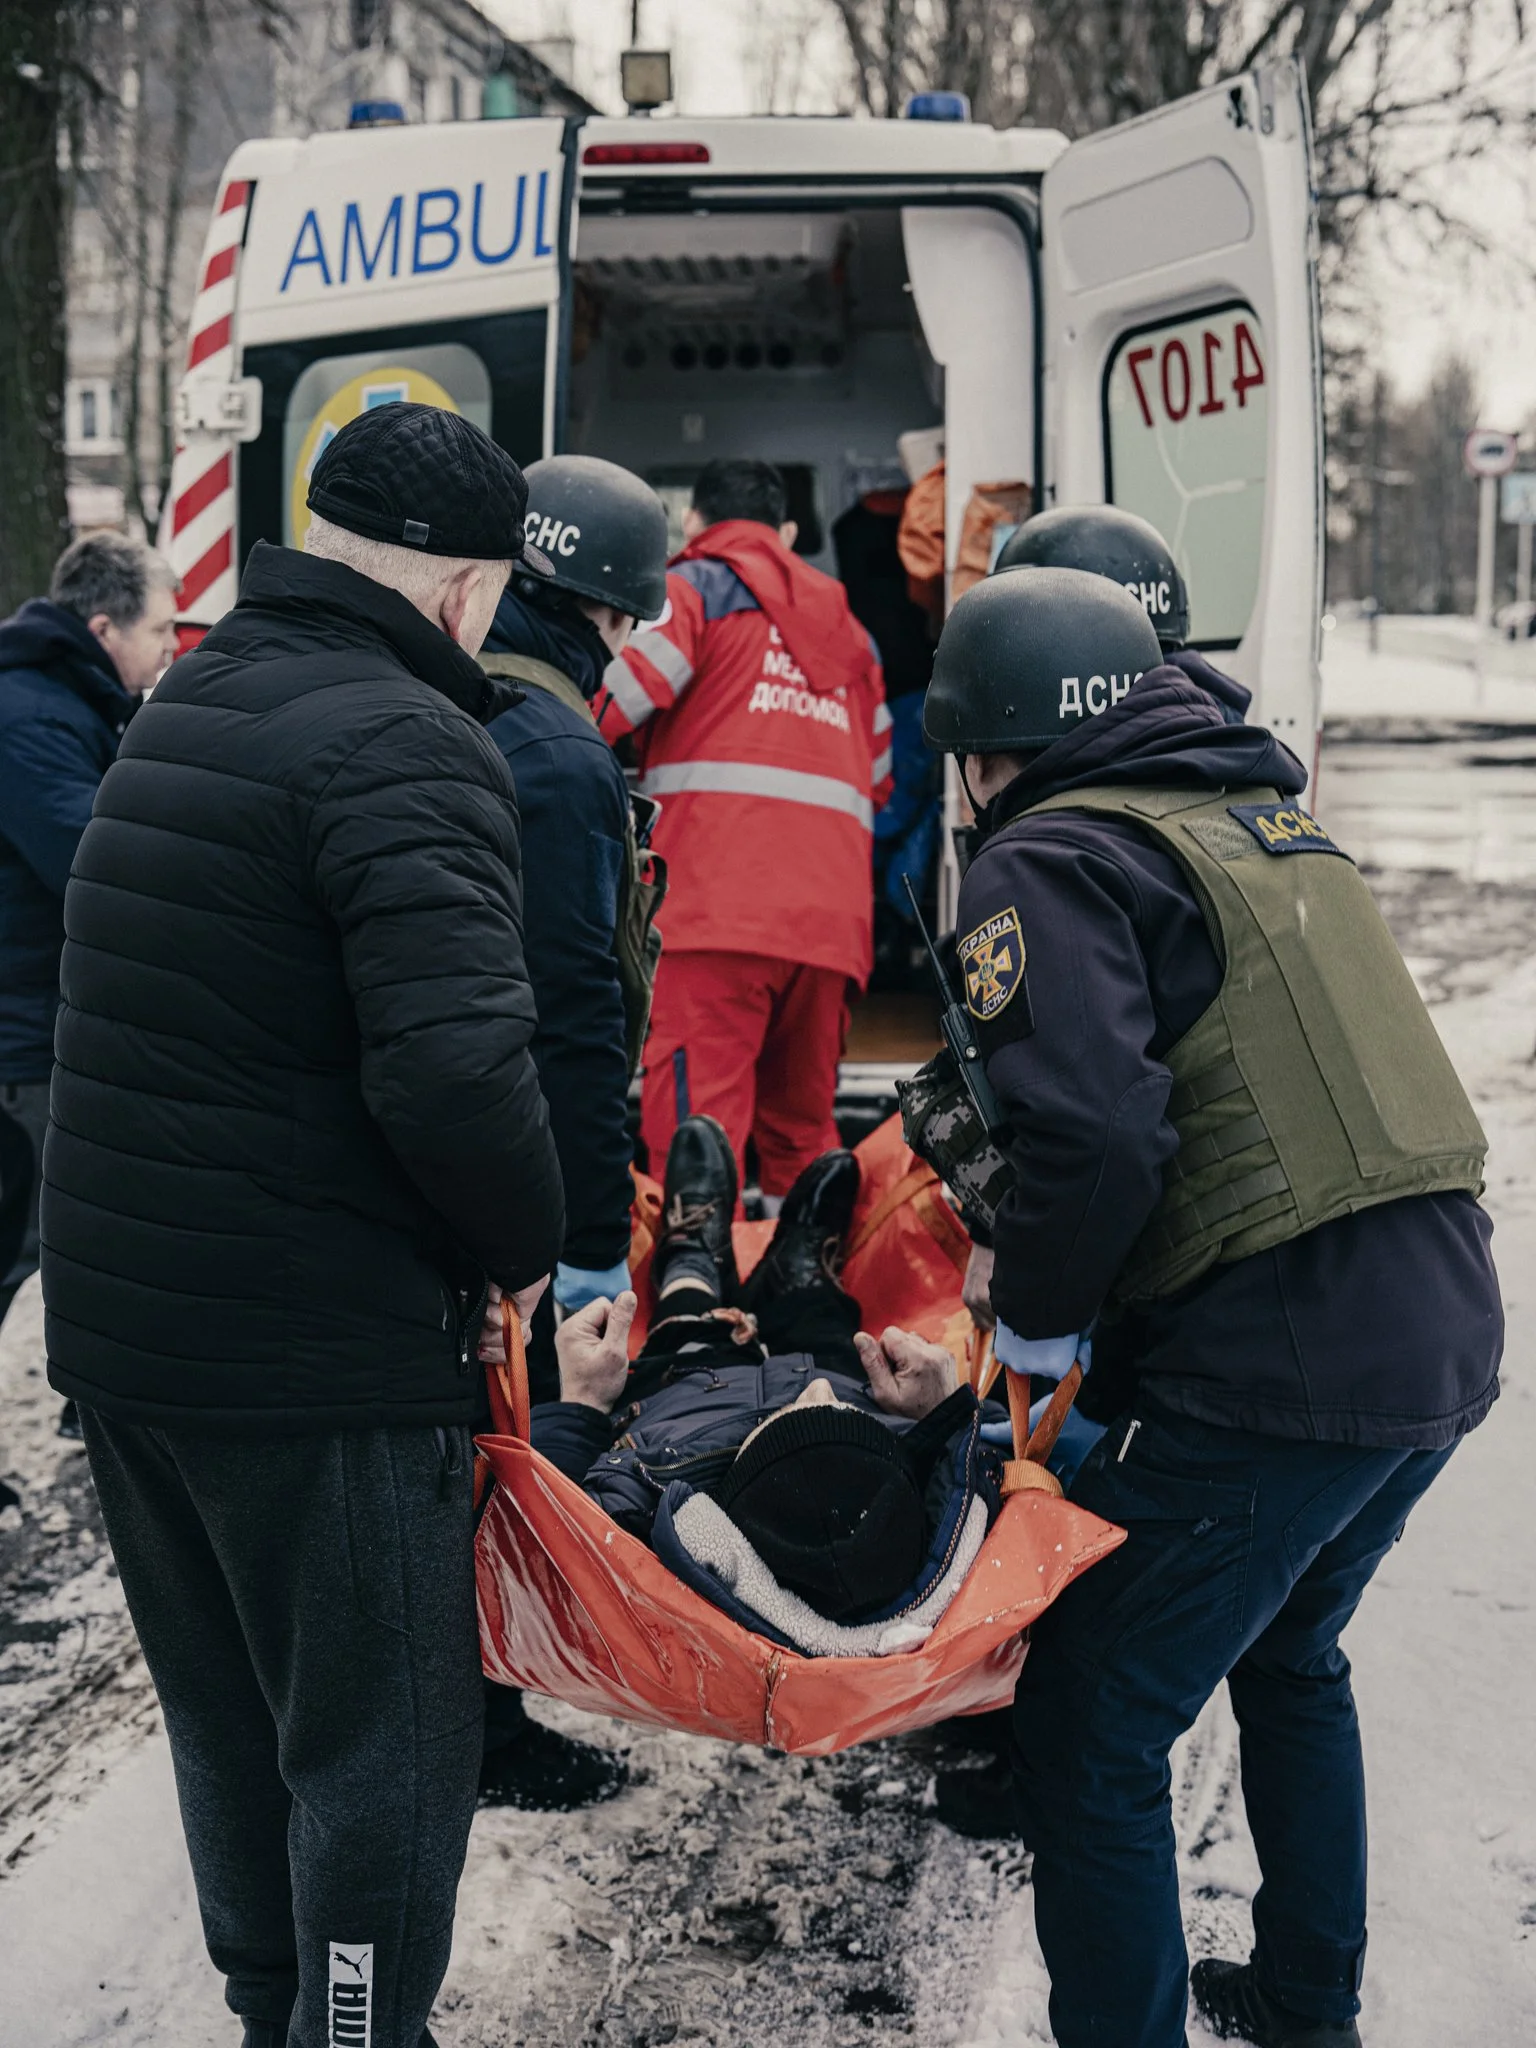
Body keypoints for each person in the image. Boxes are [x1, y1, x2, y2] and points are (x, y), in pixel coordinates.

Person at [914, 566, 1502, 2048]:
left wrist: (1046, 1315)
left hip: (1279, 1362)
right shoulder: (1264, 822)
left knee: (1090, 1725)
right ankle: (1309, 2004)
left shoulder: (1049, 857)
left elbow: (1100, 1134)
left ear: (992, 745)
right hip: (1436, 1317)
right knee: (1292, 1653)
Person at [42, 404, 565, 2048]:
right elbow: (459, 1072)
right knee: (382, 1750)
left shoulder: (190, 693)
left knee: (226, 1715)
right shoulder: (406, 737)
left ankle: (280, 2009)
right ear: (469, 592)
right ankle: (350, 2032)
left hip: (136, 1342)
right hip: (314, 1360)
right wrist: (523, 1248)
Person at [475, 453, 669, 1812]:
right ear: (603, 607)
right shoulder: (556, 751)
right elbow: (575, 1001)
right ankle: (485, 1721)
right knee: (504, 1444)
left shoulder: (452, 692)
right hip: (510, 1156)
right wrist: (595, 1228)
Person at [526, 1114, 994, 1649]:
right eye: (837, 1416)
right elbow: (988, 1462)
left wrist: (581, 1400)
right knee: (827, 1340)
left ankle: (690, 1267)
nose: (811, 1398)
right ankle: (799, 1274)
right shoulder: (935, 1543)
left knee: (688, 1329)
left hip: (687, 1389)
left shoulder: (643, 1503)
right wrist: (943, 1417)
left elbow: (549, 1532)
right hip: (835, 1366)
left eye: (792, 1419)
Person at [596, 459, 892, 1210]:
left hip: (718, 912)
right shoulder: (853, 633)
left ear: (694, 523)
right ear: (787, 535)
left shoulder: (692, 588)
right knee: (803, 1136)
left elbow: (607, 703)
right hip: (830, 928)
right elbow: (881, 776)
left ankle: (698, 1311)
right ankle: (810, 1306)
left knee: (700, 1138)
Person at [0, 534, 176, 1356]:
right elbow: (91, 864)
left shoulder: (66, 702)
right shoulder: (32, 716)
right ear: (104, 629)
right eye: (161, 630)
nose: (173, 646)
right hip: (19, 1041)